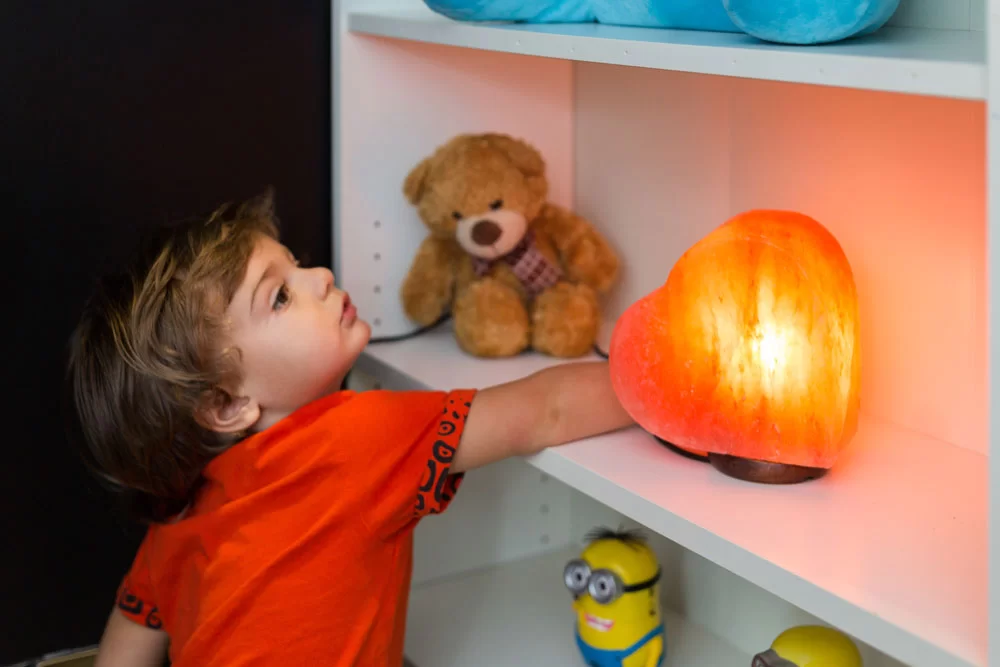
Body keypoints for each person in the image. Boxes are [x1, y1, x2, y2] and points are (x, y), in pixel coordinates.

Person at [67, 191, 634, 667]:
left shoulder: (179, 517)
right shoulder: (355, 438)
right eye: (280, 296)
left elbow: (131, 627)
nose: (320, 276)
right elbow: (545, 411)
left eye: (295, 263)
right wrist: (655, 383)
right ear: (227, 404)